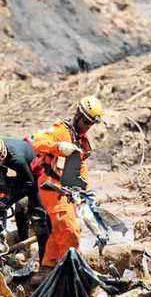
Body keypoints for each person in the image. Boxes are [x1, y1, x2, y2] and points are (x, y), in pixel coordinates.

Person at [31, 96, 104, 271]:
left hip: (67, 190)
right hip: (50, 185)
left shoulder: (82, 142)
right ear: (78, 115)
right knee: (70, 229)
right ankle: (71, 268)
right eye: (86, 122)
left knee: (60, 232)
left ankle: (47, 268)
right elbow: (37, 142)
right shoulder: (60, 130)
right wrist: (58, 147)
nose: (87, 126)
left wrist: (84, 192)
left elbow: (81, 168)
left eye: (90, 124)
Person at [0, 134, 50, 261]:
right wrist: (3, 193)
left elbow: (29, 184)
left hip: (36, 177)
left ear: (2, 156)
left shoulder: (17, 160)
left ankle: (45, 259)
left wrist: (10, 199)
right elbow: (2, 169)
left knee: (35, 214)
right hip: (23, 175)